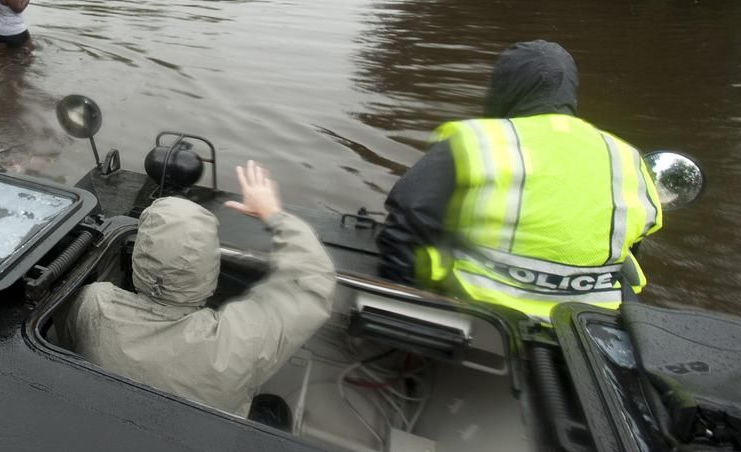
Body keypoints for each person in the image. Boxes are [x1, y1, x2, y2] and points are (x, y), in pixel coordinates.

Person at [377, 40, 662, 323]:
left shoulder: (478, 140)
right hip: (587, 327)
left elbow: (408, 215)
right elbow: (638, 234)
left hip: (483, 317)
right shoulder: (626, 155)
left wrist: (402, 304)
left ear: (505, 86)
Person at [65, 161, 337, 418]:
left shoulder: (92, 303)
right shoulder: (241, 340)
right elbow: (314, 277)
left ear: (139, 254)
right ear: (210, 263)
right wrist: (273, 215)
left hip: (114, 418)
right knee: (273, 408)